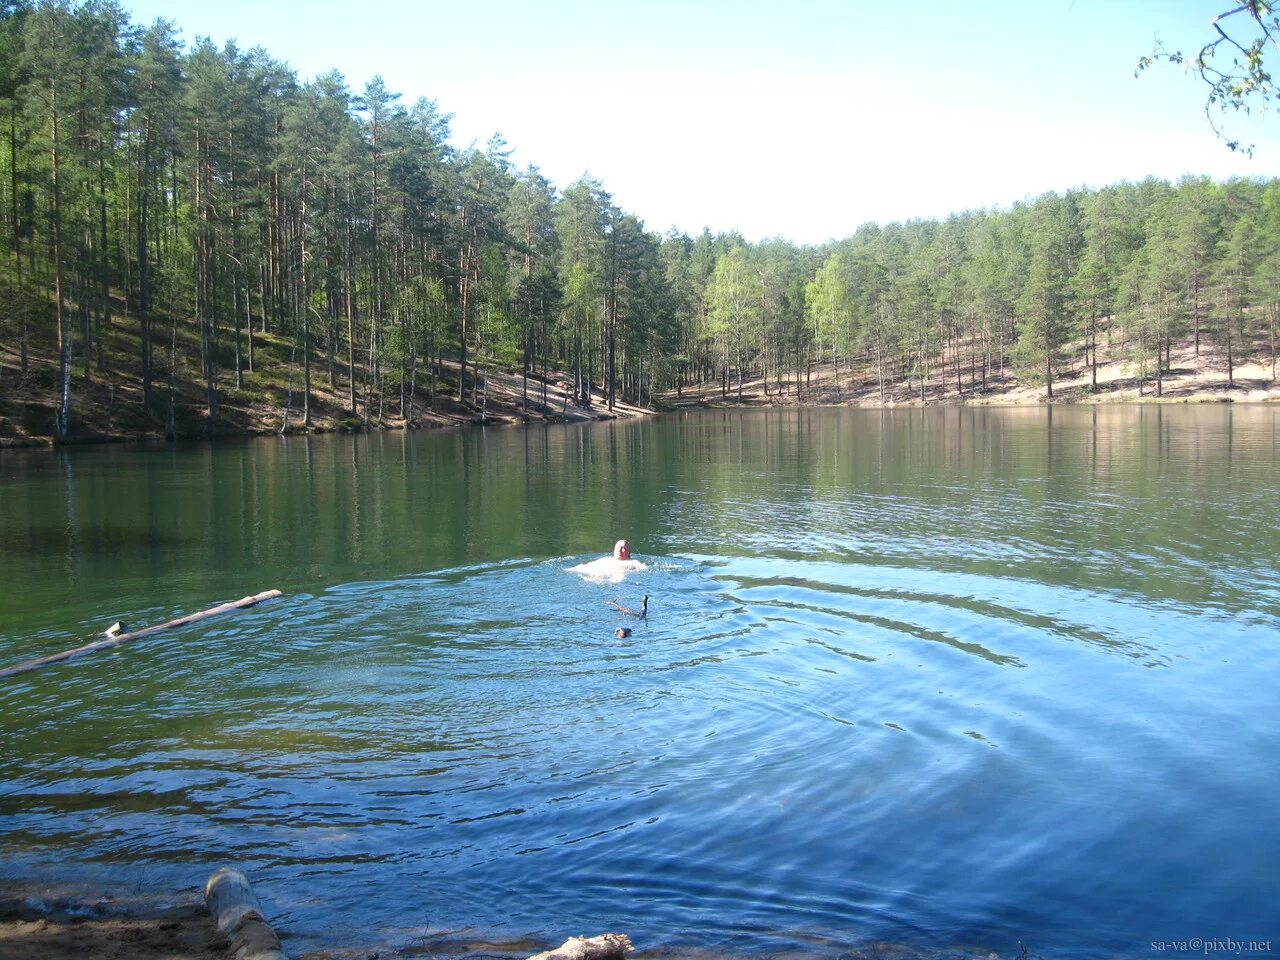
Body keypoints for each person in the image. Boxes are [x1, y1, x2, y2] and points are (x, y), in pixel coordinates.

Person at [568, 538, 647, 582]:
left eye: (623, 548)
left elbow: (644, 569)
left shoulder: (633, 563)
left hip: (614, 577)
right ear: (614, 550)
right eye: (618, 548)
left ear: (629, 552)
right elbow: (590, 565)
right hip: (598, 573)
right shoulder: (606, 559)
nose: (619, 550)